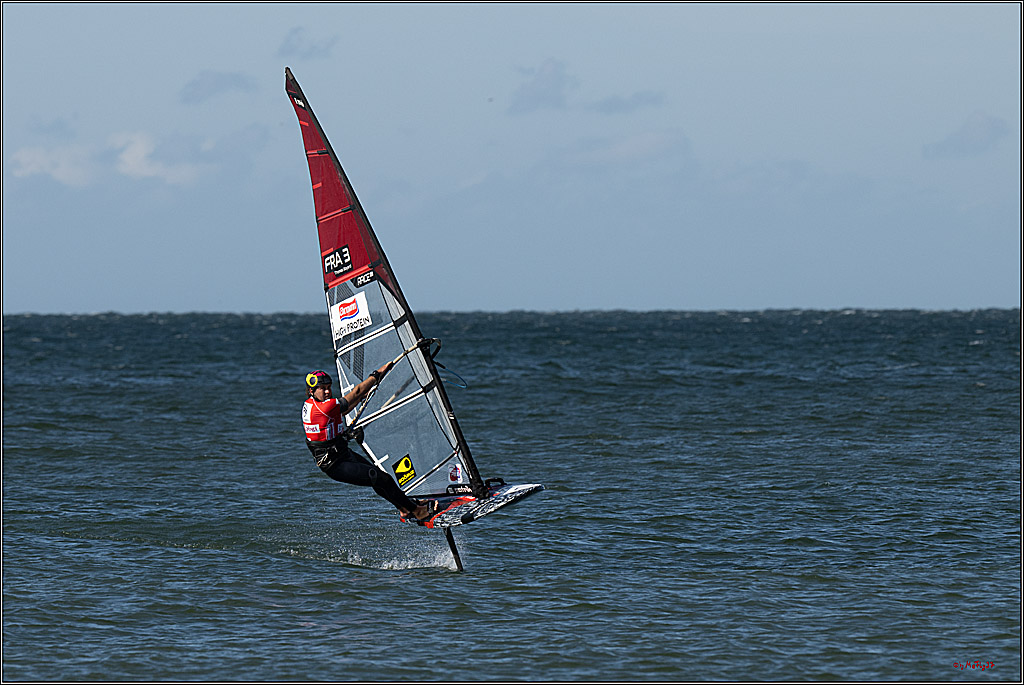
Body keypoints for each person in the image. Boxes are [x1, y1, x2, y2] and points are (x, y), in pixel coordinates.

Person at [302, 365, 438, 522]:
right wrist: (376, 375)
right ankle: (417, 511)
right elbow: (357, 392)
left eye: (328, 388)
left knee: (378, 477)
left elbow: (345, 410)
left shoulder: (311, 405)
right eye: (322, 389)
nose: (327, 391)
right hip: (335, 464)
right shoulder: (325, 407)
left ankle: (404, 508)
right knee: (382, 479)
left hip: (342, 454)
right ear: (311, 391)